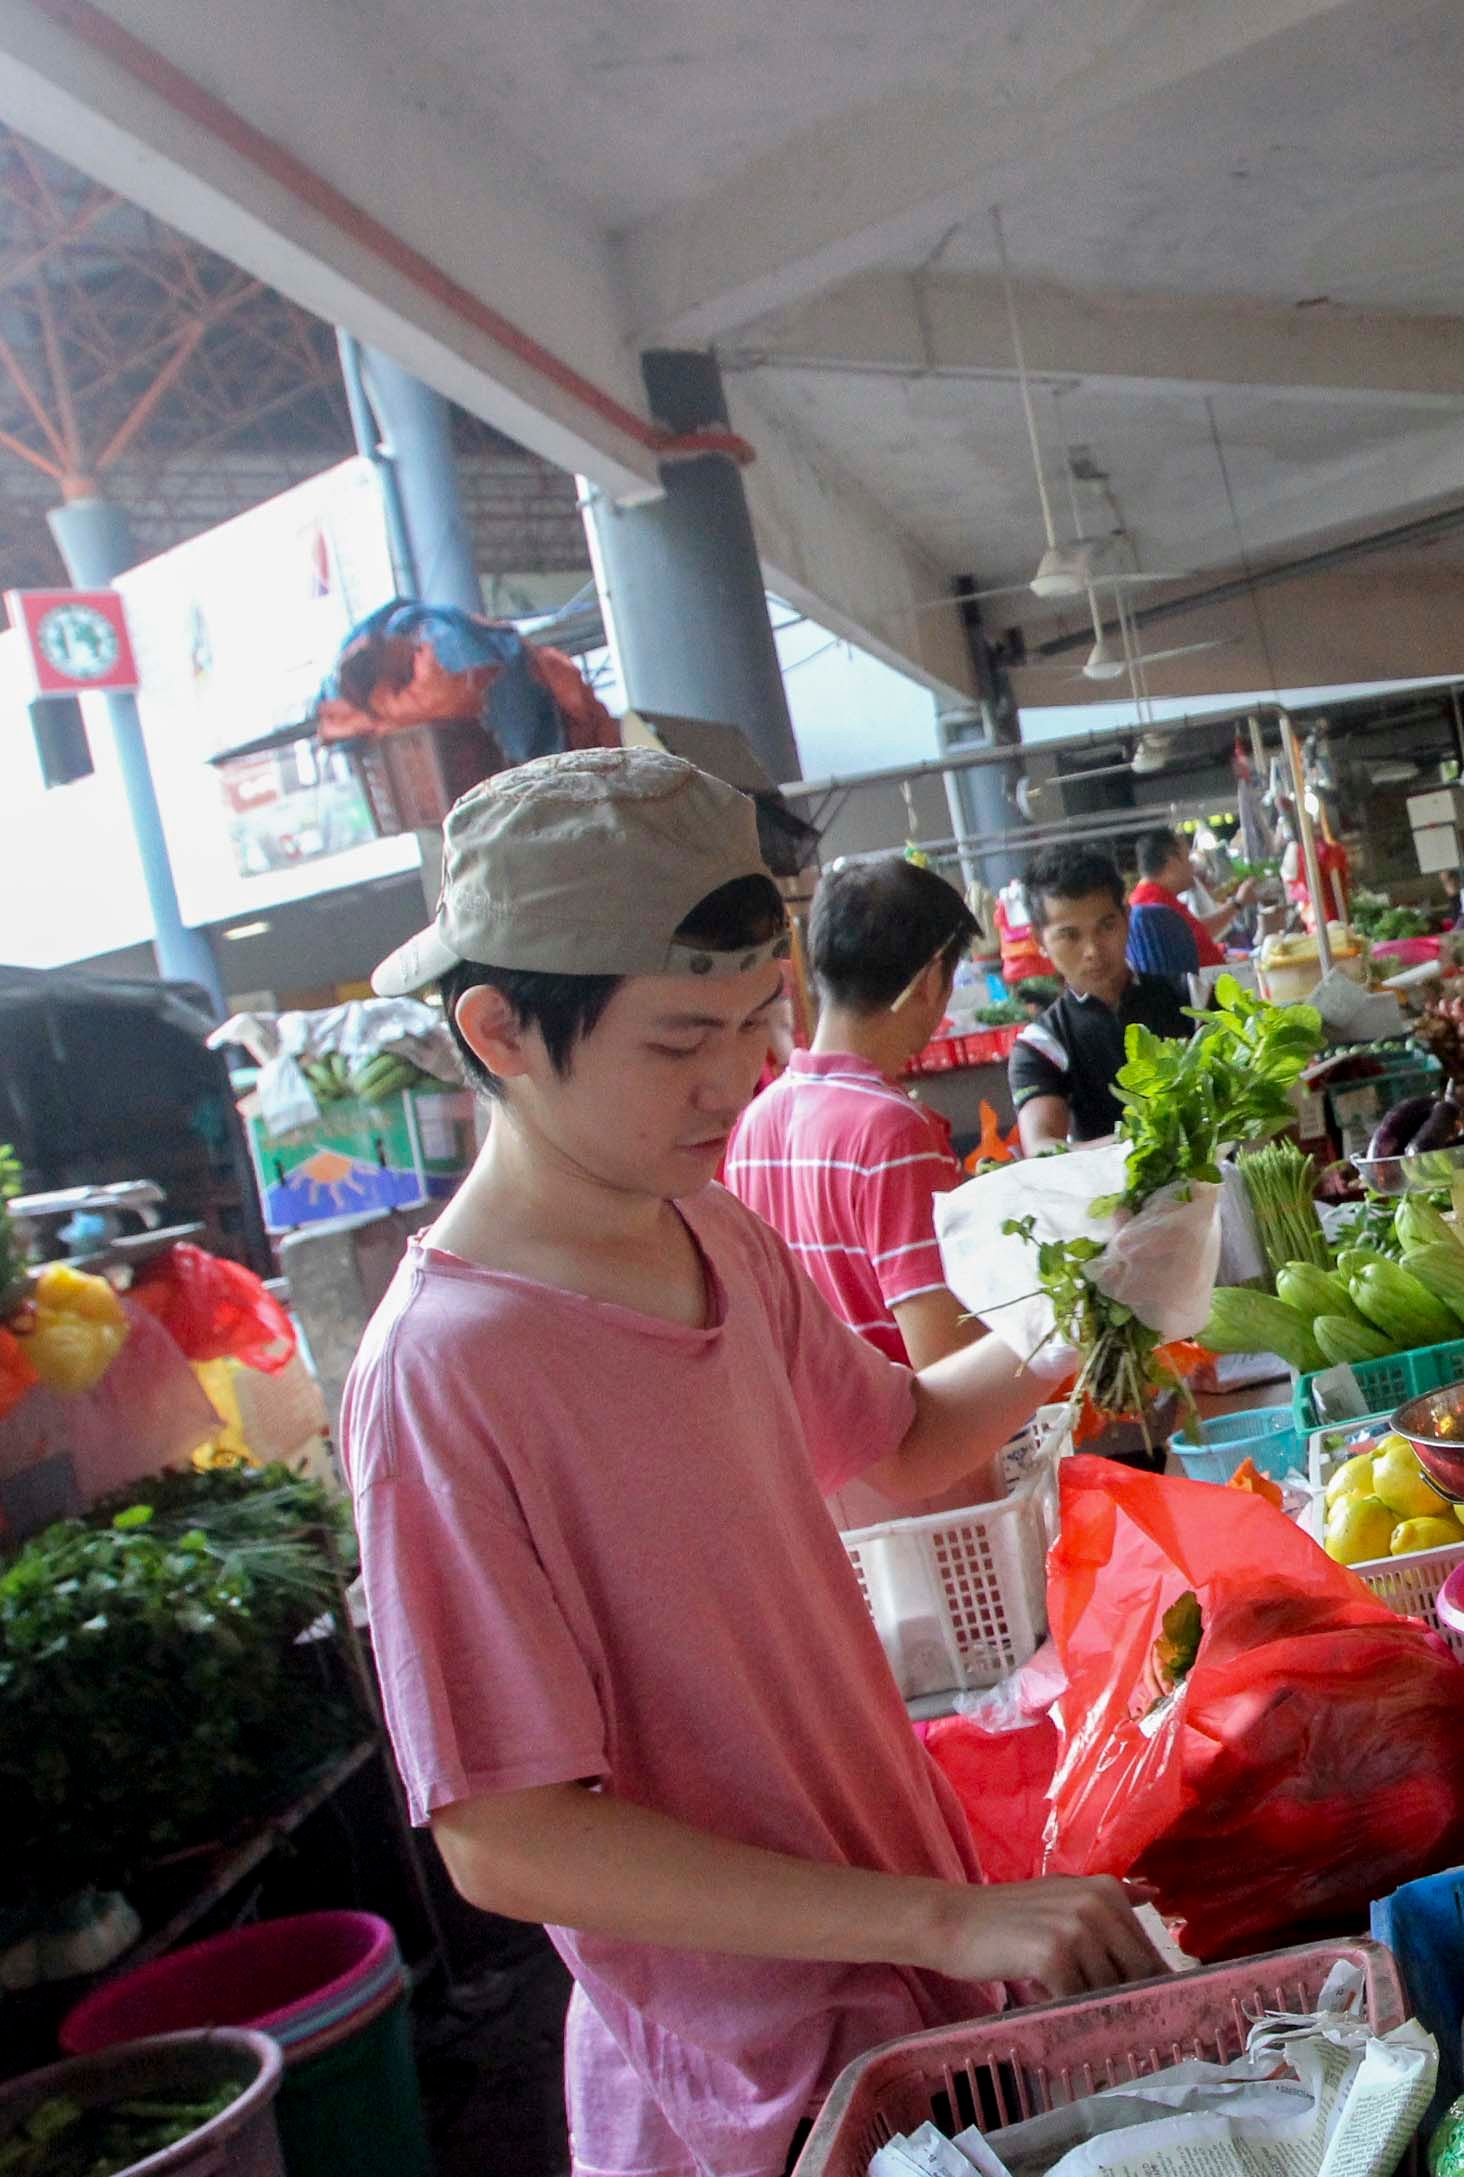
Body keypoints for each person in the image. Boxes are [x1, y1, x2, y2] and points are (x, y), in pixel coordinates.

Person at [344, 751, 1159, 2177]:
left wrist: (1096, 1303)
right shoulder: (446, 1372)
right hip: (752, 2084)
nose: (739, 1076)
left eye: (755, 1020)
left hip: (910, 1993)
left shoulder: (710, 1229)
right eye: (677, 1042)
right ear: (500, 1030)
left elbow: (901, 1440)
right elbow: (509, 1836)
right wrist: (935, 1920)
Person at [723, 857, 1000, 1526]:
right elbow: (944, 1359)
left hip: (827, 1503)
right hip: (930, 1500)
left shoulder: (757, 1119)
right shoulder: (892, 1130)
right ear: (931, 978)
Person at [1009, 844, 1194, 1154]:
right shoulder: (1042, 1045)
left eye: (1106, 926)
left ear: (1126, 917)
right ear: (1039, 940)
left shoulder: (1193, 999)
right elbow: (1042, 1148)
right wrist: (1145, 1141)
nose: (1092, 949)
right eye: (1070, 935)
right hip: (1110, 1198)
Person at [1127, 826, 1226, 971]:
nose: (1192, 868)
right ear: (1172, 864)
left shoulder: (1158, 899)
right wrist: (1237, 904)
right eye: (1187, 860)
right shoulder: (1152, 911)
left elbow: (1194, 939)